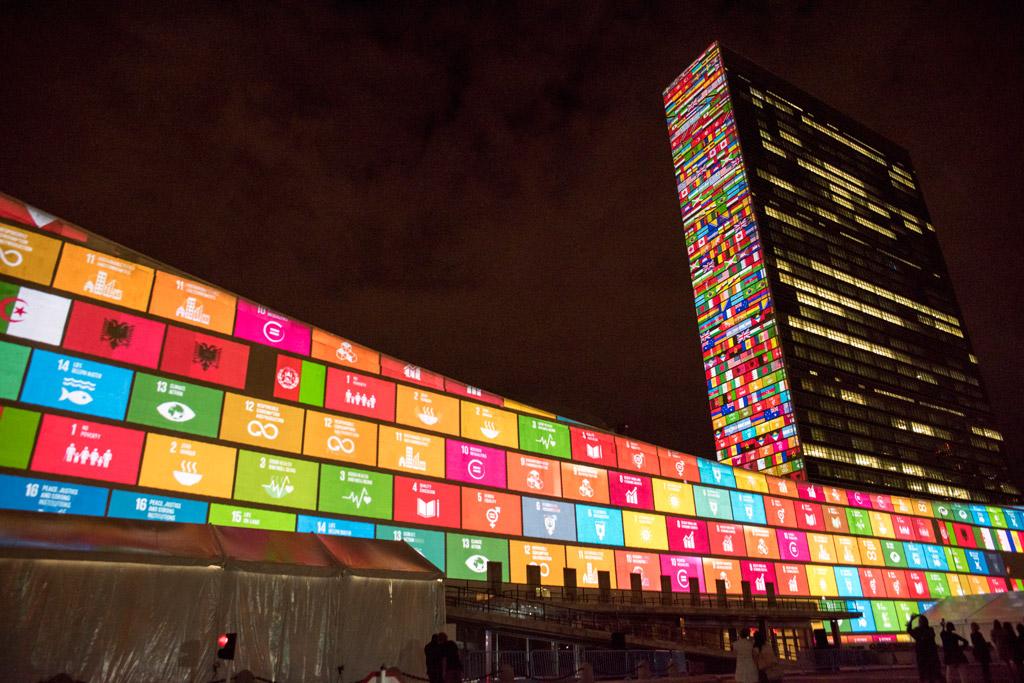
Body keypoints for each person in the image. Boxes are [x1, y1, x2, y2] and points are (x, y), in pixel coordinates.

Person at [907, 614, 943, 683]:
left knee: (924, 675)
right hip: (931, 655)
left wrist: (911, 620)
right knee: (932, 675)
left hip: (922, 656)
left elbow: (909, 630)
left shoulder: (919, 630)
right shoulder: (930, 630)